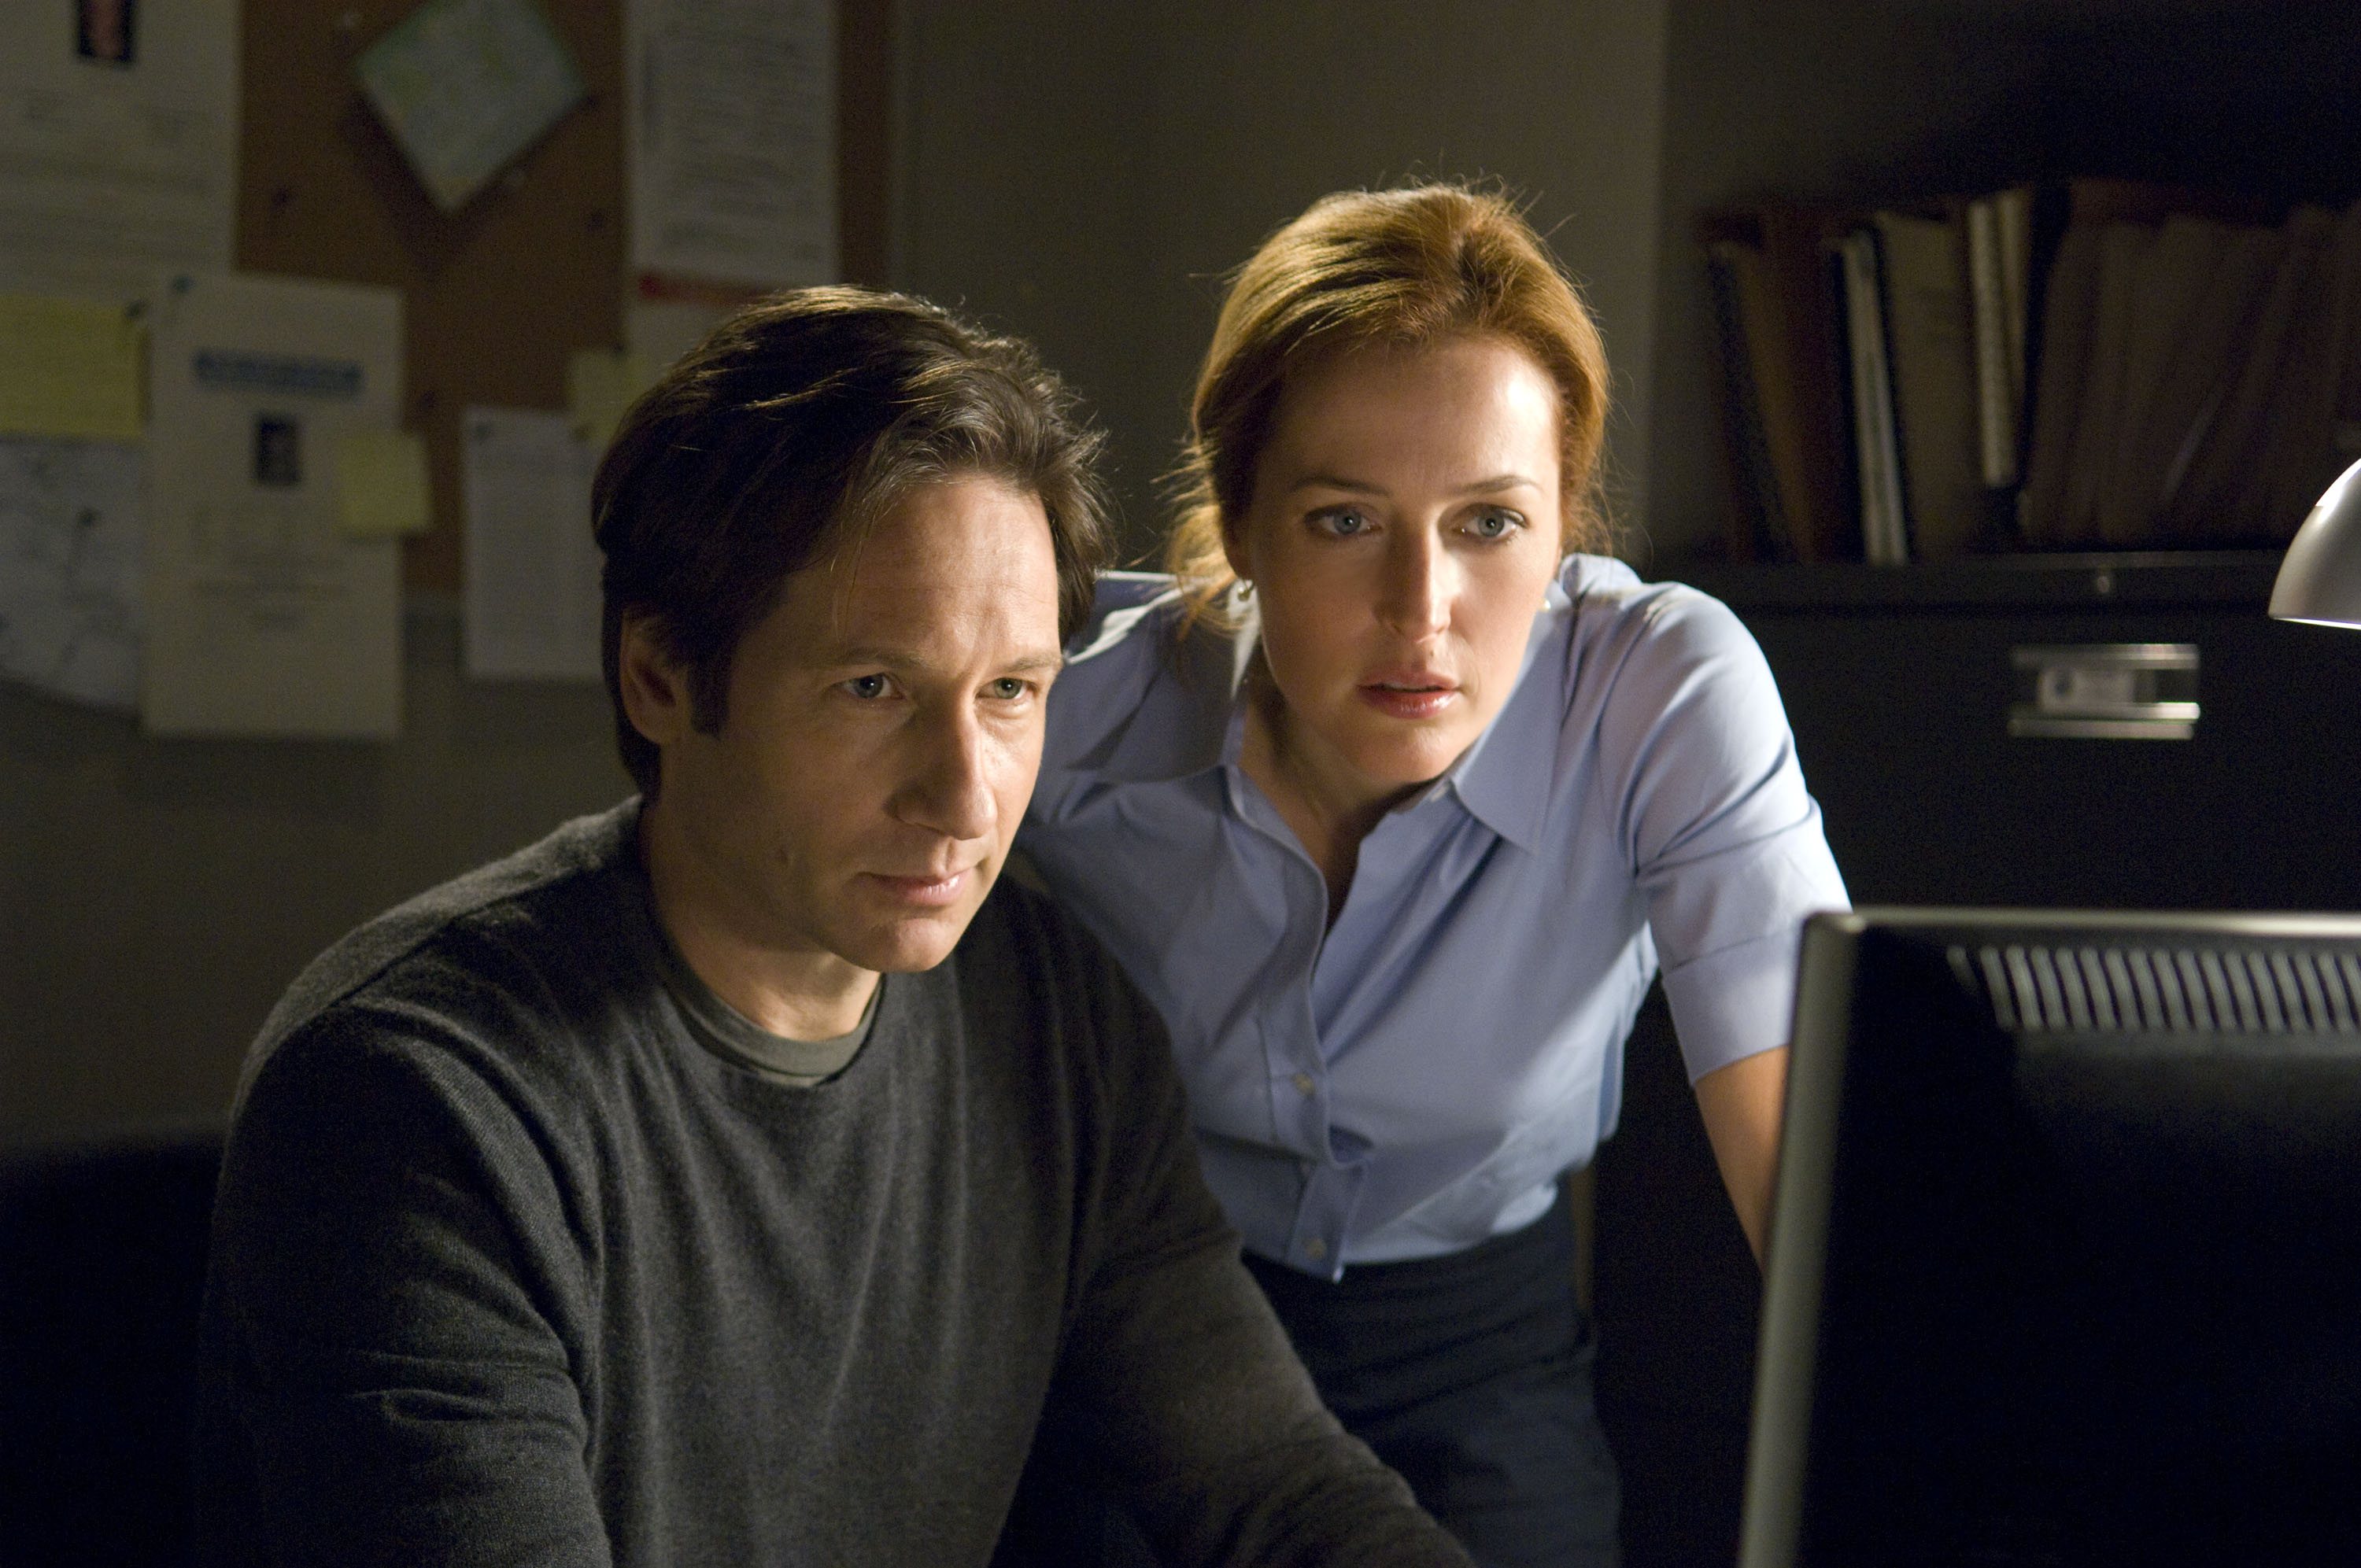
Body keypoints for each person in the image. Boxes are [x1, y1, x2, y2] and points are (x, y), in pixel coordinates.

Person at [190, 287, 1474, 1568]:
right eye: (874, 687)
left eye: (1011, 691)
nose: (966, 798)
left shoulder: (1053, 1021)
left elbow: (1272, 1490)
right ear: (659, 676)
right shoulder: (415, 1096)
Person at [1018, 185, 1850, 1566]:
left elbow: (1818, 1173)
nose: (1422, 610)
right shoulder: (1076, 709)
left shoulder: (1661, 694)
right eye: (1345, 520)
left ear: (1564, 526)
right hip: (1153, 1320)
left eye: (1489, 523)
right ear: (1241, 521)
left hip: (1479, 1342)